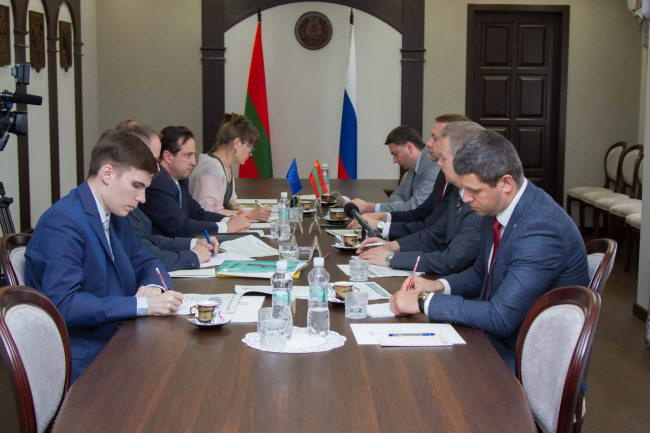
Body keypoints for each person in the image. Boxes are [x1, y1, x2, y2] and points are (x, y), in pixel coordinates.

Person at [389, 130, 589, 371]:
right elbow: (481, 273)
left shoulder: (541, 230)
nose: (466, 198)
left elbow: (500, 317)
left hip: (526, 359)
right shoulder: (499, 205)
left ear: (506, 183)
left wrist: (424, 301)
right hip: (495, 338)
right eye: (464, 189)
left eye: (474, 191)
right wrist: (437, 286)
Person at [24, 130, 185, 382]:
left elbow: (149, 261)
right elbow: (65, 304)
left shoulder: (115, 214)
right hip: (86, 359)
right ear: (107, 174)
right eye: (137, 186)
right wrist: (143, 305)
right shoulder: (63, 221)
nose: (142, 198)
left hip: (120, 339)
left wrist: (153, 287)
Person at [356, 121, 485, 274]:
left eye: (444, 158)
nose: (439, 163)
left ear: (463, 159)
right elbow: (434, 235)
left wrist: (390, 257)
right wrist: (391, 246)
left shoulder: (478, 202)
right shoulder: (457, 191)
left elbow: (452, 260)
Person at [116, 120, 218, 271]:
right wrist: (194, 256)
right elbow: (147, 255)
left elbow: (150, 240)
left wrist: (193, 243)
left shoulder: (129, 200)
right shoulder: (119, 205)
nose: (158, 168)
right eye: (154, 160)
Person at [347, 114, 470, 238]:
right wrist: (383, 216)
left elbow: (427, 224)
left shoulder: (435, 168)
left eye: (435, 138)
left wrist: (378, 221)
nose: (428, 143)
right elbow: (416, 210)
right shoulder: (429, 169)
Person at [139, 125, 250, 237]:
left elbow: (197, 213)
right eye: (188, 155)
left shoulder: (181, 180)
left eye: (193, 155)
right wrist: (227, 227)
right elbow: (179, 227)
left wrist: (229, 220)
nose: (193, 162)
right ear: (168, 157)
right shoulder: (157, 182)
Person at [189, 113, 272, 221]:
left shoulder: (225, 165)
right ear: (237, 143)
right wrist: (249, 214)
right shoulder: (211, 168)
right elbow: (209, 211)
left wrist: (235, 207)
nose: (250, 154)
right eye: (250, 147)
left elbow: (230, 201)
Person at [346, 125, 440, 213]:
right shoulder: (414, 164)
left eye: (395, 154)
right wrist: (401, 206)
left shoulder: (432, 164)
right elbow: (396, 195)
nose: (394, 160)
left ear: (409, 147)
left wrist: (369, 207)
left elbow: (415, 207)